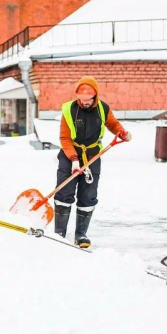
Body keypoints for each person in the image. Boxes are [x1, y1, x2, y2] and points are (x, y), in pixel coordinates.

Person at [54, 76, 132, 248]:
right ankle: (59, 233)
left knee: (88, 195)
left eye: (88, 99)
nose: (84, 102)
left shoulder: (103, 108)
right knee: (64, 192)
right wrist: (74, 160)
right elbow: (64, 138)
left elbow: (112, 124)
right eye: (81, 99)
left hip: (92, 156)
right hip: (69, 153)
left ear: (95, 96)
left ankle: (81, 235)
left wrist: (122, 133)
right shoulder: (69, 109)